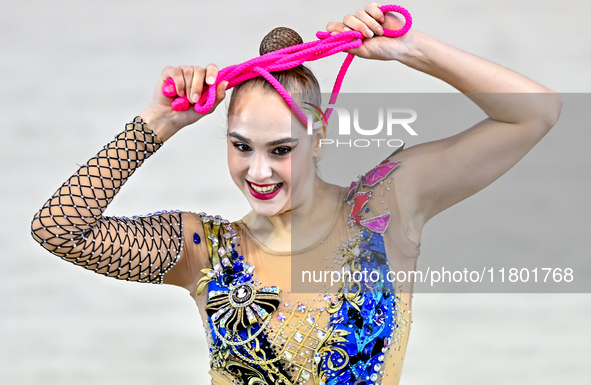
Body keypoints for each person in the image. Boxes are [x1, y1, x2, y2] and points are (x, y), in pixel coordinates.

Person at [30, 3, 561, 385]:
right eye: (241, 146)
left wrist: (412, 50)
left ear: (320, 133)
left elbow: (535, 113)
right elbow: (58, 228)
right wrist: (160, 122)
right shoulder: (205, 250)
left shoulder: (385, 207)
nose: (258, 171)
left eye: (280, 149)